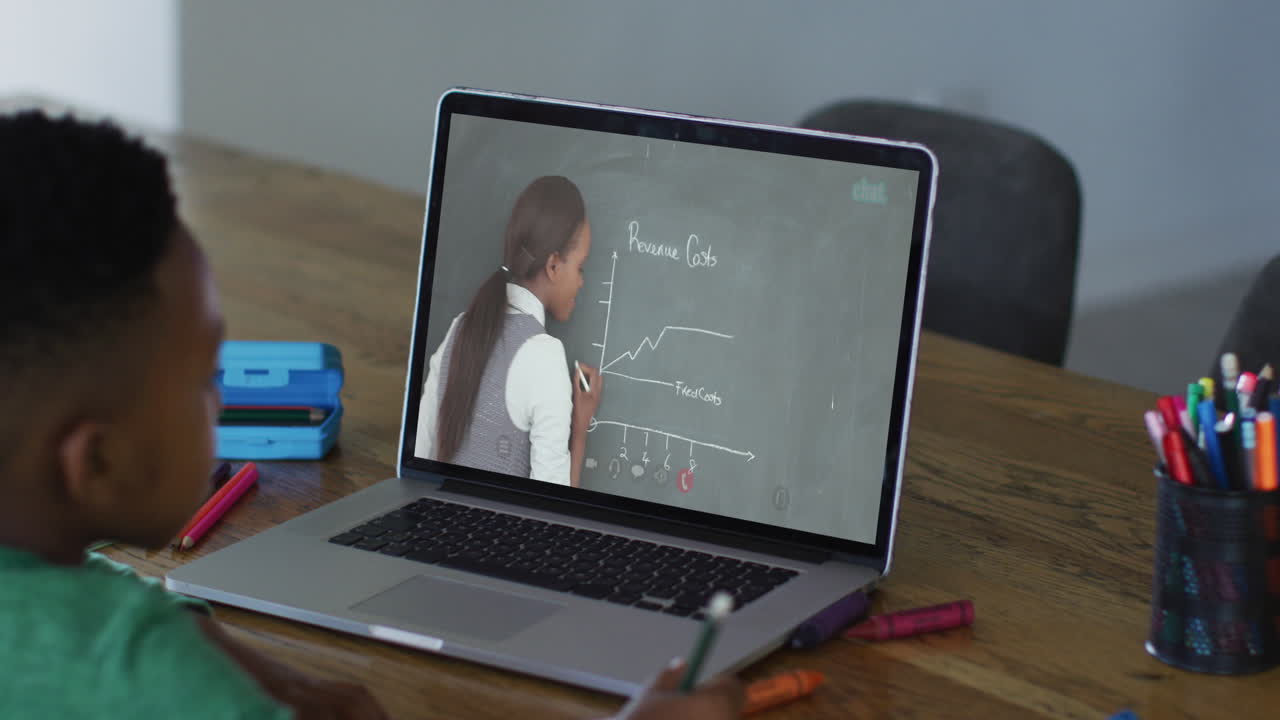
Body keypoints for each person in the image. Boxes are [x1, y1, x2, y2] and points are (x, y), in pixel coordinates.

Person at [0, 112, 742, 719]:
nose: (221, 401)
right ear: (95, 461)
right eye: (203, 379)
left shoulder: (464, 332)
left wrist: (208, 643)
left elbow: (79, 595)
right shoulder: (150, 678)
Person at [416, 176, 603, 488]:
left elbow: (419, 460)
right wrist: (581, 428)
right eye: (580, 267)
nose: (582, 281)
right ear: (554, 266)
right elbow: (551, 507)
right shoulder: (544, 354)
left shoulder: (459, 328)